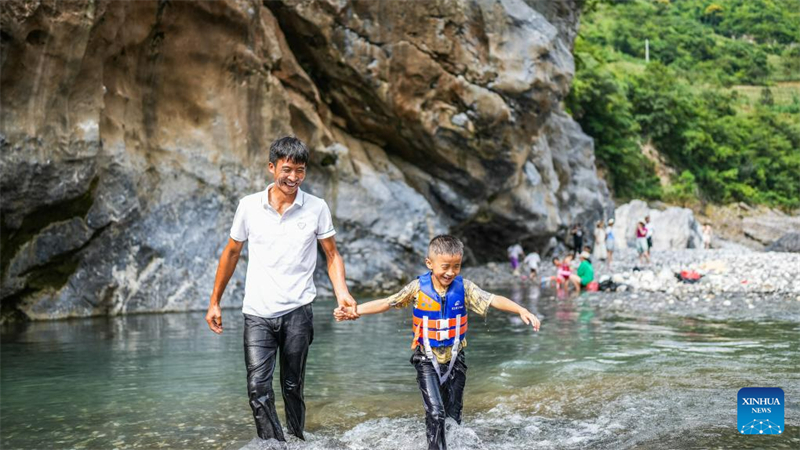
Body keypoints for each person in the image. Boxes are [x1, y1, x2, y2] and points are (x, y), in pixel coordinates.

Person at [205, 136, 357, 442]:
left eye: (300, 171)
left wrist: (342, 291)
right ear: (271, 167)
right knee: (257, 389)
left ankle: (297, 439)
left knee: (292, 386)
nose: (293, 177)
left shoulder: (316, 208)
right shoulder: (249, 206)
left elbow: (331, 254)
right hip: (257, 313)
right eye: (287, 169)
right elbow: (231, 252)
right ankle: (274, 446)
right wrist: (215, 302)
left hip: (298, 311)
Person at [333, 235, 540, 450]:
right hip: (426, 359)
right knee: (435, 412)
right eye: (445, 267)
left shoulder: (465, 288)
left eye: (456, 266)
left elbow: (493, 299)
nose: (450, 272)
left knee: (453, 416)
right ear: (429, 264)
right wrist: (355, 311)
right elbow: (388, 302)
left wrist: (521, 309)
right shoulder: (417, 288)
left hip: (455, 360)